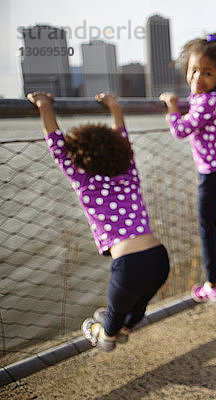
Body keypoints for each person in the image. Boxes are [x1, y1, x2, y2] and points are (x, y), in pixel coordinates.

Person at [27, 92, 170, 351]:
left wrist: (44, 105)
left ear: (78, 158)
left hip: (128, 267)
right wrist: (115, 106)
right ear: (122, 154)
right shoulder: (129, 174)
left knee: (108, 334)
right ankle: (121, 326)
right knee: (136, 309)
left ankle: (103, 333)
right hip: (159, 260)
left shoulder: (83, 181)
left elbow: (57, 146)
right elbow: (123, 136)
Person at [159, 32, 216, 302]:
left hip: (213, 175)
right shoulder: (212, 98)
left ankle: (211, 285)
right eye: (193, 70)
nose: (198, 78)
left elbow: (181, 130)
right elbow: (197, 103)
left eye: (207, 73)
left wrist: (173, 108)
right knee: (211, 222)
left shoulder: (208, 101)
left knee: (204, 225)